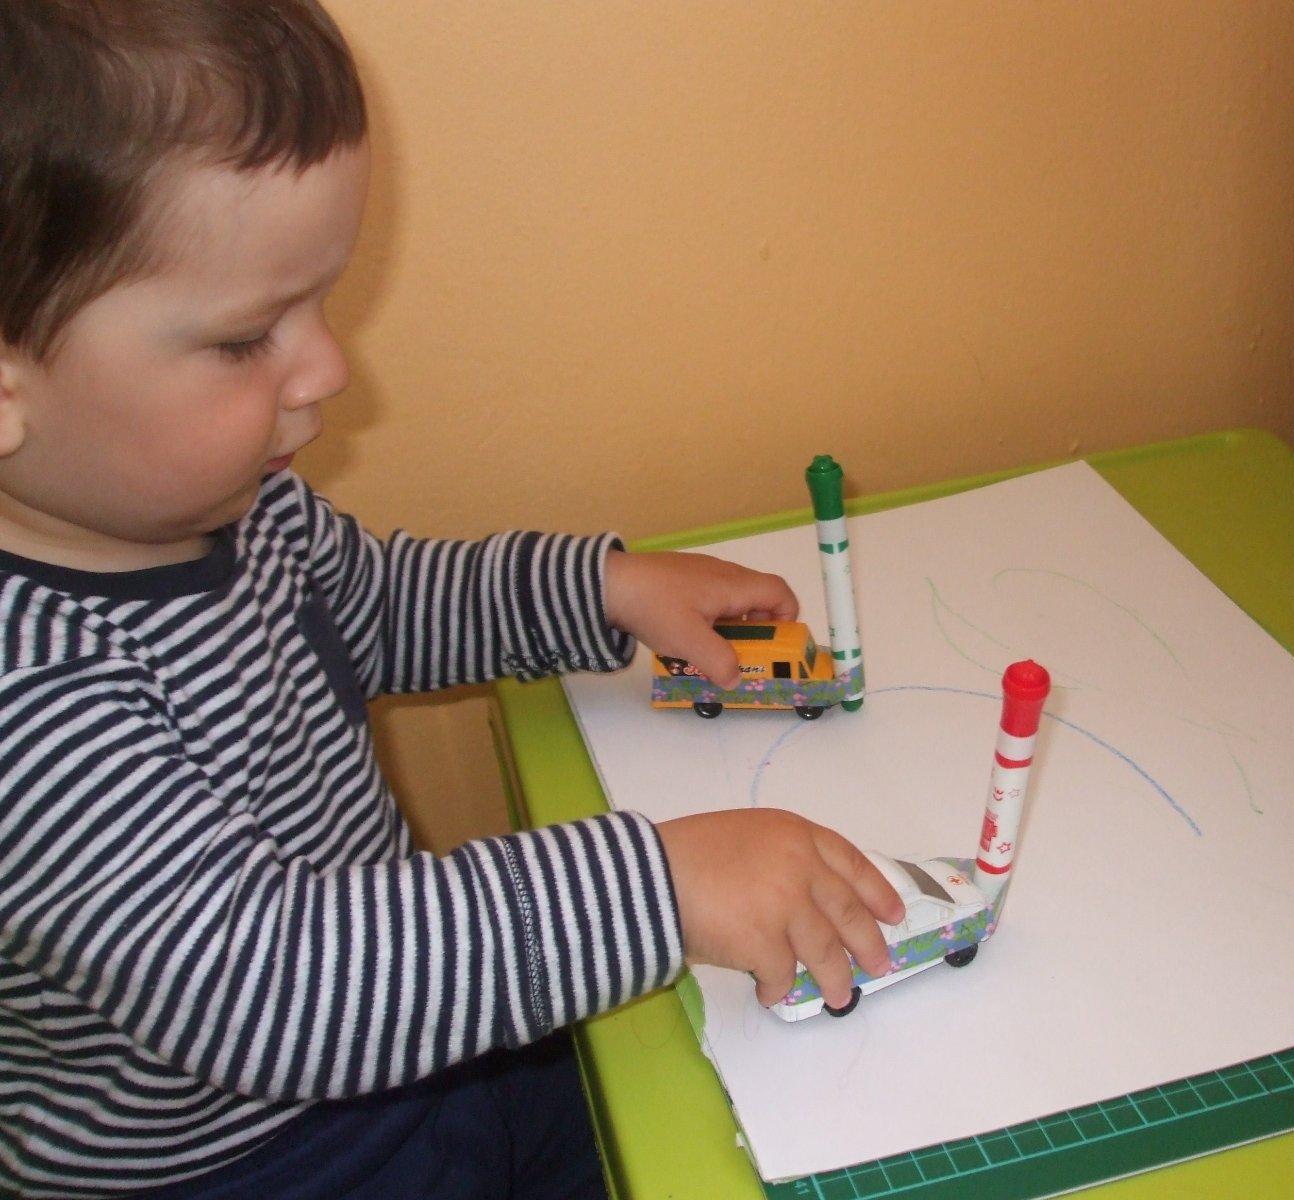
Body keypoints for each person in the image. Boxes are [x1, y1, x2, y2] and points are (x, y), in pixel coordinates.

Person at [0, 4, 904, 1197]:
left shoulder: (226, 503)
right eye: (246, 338)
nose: (329, 369)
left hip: (428, 1031)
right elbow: (265, 982)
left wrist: (600, 589)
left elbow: (375, 606)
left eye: (319, 302)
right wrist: (656, 886)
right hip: (254, 1164)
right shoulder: (28, 696)